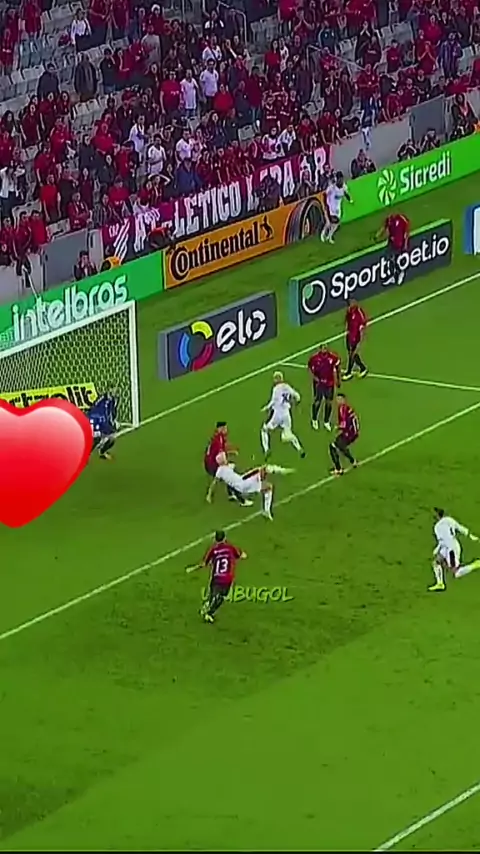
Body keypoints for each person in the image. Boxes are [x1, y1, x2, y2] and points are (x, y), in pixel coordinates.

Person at [186, 530, 247, 624]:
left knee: (213, 594)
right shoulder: (230, 548)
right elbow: (241, 555)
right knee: (221, 597)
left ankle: (208, 605)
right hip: (227, 578)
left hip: (216, 577)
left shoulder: (213, 550)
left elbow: (204, 564)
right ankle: (209, 613)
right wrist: (243, 555)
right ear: (225, 538)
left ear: (215, 539)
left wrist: (194, 568)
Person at [214, 453, 295, 522]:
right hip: (244, 482)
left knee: (268, 487)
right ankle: (282, 470)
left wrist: (209, 494)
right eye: (225, 458)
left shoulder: (224, 469)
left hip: (242, 485)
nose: (226, 458)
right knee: (263, 468)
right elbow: (216, 481)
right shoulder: (223, 469)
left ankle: (266, 511)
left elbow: (216, 481)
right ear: (222, 461)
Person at [429, 508, 480, 592]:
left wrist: (437, 549)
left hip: (450, 549)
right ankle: (440, 583)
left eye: (434, 515)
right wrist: (471, 536)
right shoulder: (449, 520)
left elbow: (442, 540)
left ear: (437, 515)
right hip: (451, 545)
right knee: (436, 562)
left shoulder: (437, 527)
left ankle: (475, 564)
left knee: (456, 572)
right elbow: (460, 528)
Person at [260, 371, 305, 459]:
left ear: (277, 379)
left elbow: (273, 402)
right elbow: (297, 396)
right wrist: (297, 402)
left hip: (277, 414)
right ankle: (299, 448)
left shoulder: (276, 389)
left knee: (264, 429)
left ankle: (266, 449)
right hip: (286, 414)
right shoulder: (287, 386)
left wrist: (266, 408)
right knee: (288, 433)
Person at [204, 421, 240, 505]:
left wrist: (232, 451)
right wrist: (225, 463)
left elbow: (221, 450)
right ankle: (210, 494)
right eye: (225, 428)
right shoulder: (219, 440)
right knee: (224, 473)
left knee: (227, 472)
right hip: (212, 464)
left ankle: (229, 493)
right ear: (220, 429)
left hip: (210, 462)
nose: (226, 430)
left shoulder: (218, 437)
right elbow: (221, 455)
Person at [308, 345, 341, 431]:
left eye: (326, 348)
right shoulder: (314, 358)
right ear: (320, 349)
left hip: (329, 384)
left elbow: (337, 368)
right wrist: (314, 377)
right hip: (319, 384)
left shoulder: (333, 357)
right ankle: (314, 419)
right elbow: (309, 368)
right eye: (323, 348)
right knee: (317, 401)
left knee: (329, 402)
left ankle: (326, 421)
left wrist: (338, 380)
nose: (324, 349)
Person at [329, 393, 359, 476]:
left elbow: (344, 424)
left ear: (343, 400)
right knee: (340, 445)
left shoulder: (342, 409)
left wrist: (337, 427)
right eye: (337, 399)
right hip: (353, 431)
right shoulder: (347, 408)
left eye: (339, 399)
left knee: (333, 446)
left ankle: (338, 469)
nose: (337, 401)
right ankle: (353, 461)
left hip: (349, 432)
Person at [320, 171, 352, 244]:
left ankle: (329, 236)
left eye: (342, 179)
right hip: (330, 207)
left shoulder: (344, 187)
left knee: (336, 224)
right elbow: (324, 194)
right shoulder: (332, 188)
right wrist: (325, 205)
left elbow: (345, 193)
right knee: (329, 223)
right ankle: (323, 234)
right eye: (339, 179)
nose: (341, 181)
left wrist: (350, 200)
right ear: (337, 179)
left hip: (337, 208)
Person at [87, 388, 119, 460]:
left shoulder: (112, 401)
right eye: (113, 390)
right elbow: (94, 405)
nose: (114, 392)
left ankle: (101, 452)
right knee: (98, 437)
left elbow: (112, 413)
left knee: (110, 436)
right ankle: (88, 454)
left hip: (100, 422)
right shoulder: (103, 398)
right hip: (96, 422)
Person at [379, 212, 410, 285]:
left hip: (398, 243)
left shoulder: (402, 219)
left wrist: (405, 244)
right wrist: (378, 236)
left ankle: (400, 272)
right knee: (388, 259)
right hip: (391, 243)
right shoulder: (389, 220)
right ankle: (393, 276)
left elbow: (406, 233)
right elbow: (385, 228)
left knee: (393, 259)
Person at [343, 299, 368, 380]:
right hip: (349, 336)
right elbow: (347, 321)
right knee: (351, 354)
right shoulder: (349, 311)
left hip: (356, 337)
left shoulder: (359, 313)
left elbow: (362, 327)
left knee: (352, 354)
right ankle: (362, 368)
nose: (349, 305)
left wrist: (360, 341)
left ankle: (349, 372)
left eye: (351, 303)